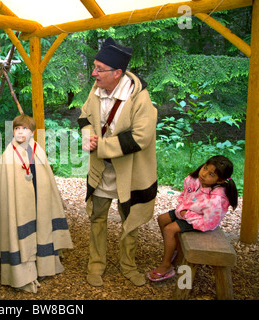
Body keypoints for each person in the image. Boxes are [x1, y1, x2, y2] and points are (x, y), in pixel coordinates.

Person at [77, 37, 158, 287]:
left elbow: (140, 138)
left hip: (130, 173)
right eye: (94, 66)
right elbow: (84, 116)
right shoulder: (95, 89)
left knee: (129, 221)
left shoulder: (140, 99)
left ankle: (128, 265)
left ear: (118, 73)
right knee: (97, 219)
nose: (94, 73)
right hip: (102, 170)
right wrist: (87, 134)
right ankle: (96, 265)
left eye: (99, 69)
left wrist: (100, 146)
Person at [0, 114, 73, 293]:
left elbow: (47, 179)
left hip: (38, 199)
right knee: (21, 233)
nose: (20, 132)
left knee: (42, 228)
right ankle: (21, 274)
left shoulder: (38, 150)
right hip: (18, 205)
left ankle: (43, 266)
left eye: (25, 129)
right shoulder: (8, 154)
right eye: (17, 128)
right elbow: (5, 188)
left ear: (32, 132)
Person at [148, 155, 238, 281]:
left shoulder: (217, 199)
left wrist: (186, 215)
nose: (204, 174)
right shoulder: (196, 180)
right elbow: (185, 195)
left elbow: (208, 223)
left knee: (170, 230)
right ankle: (174, 249)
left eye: (211, 174)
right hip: (187, 211)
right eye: (205, 168)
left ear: (220, 180)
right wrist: (182, 209)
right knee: (162, 219)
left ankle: (166, 265)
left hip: (199, 221)